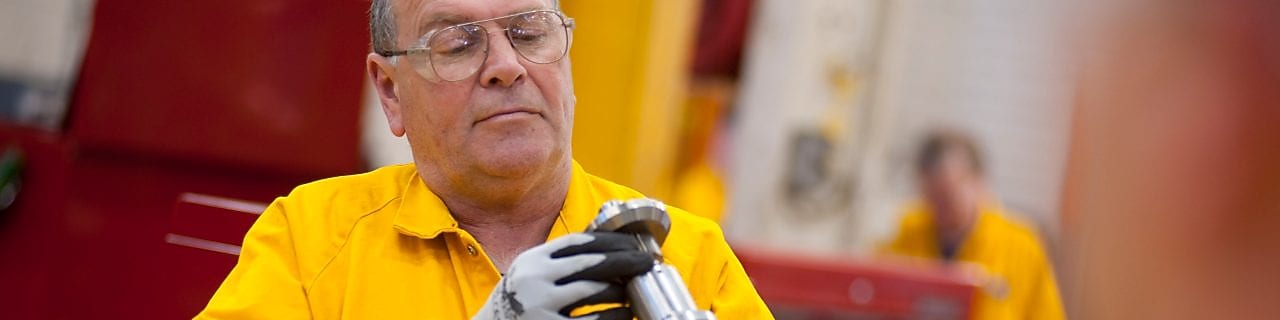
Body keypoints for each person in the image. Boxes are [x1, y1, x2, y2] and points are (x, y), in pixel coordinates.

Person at [195, 0, 772, 319]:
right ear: (391, 91)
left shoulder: (687, 260)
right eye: (458, 43)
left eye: (529, 32)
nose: (506, 66)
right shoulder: (312, 242)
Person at [881, 129, 1065, 320]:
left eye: (948, 194)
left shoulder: (1021, 247)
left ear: (978, 182)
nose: (940, 207)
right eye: (931, 197)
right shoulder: (905, 236)